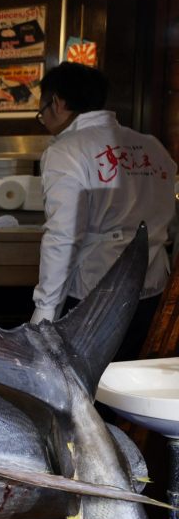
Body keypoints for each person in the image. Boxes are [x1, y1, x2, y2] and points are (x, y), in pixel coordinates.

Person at [31, 62, 176, 360]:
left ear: (57, 103)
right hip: (153, 291)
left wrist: (44, 314)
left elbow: (63, 236)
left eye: (42, 112)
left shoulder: (66, 150)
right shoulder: (153, 147)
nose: (43, 120)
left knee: (88, 389)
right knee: (132, 380)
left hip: (96, 295)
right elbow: (170, 219)